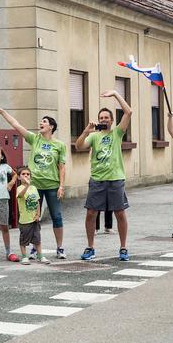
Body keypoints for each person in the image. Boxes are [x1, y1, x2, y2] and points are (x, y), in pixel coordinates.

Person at [0, 106, 67, 259]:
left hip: (52, 186)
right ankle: (34, 247)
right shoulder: (34, 139)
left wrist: (61, 186)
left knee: (57, 217)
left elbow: (62, 167)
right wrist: (2, 112)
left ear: (51, 127)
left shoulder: (60, 145)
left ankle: (60, 248)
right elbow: (16, 125)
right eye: (41, 121)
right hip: (34, 186)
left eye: (44, 122)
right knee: (33, 217)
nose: (41, 123)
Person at [75, 90, 132, 261]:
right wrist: (86, 131)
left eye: (107, 118)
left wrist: (115, 94)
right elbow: (78, 147)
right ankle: (90, 247)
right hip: (97, 180)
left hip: (115, 179)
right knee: (91, 213)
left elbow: (129, 112)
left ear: (112, 120)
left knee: (120, 213)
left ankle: (123, 248)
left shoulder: (117, 133)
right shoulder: (94, 136)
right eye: (101, 118)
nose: (104, 120)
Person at [15, 167, 49, 265]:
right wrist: (26, 186)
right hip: (25, 220)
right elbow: (20, 196)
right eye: (23, 174)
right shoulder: (19, 188)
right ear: (18, 177)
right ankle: (24, 257)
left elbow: (37, 202)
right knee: (24, 240)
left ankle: (40, 255)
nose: (26, 175)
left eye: (28, 174)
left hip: (34, 219)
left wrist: (38, 214)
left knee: (37, 239)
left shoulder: (33, 188)